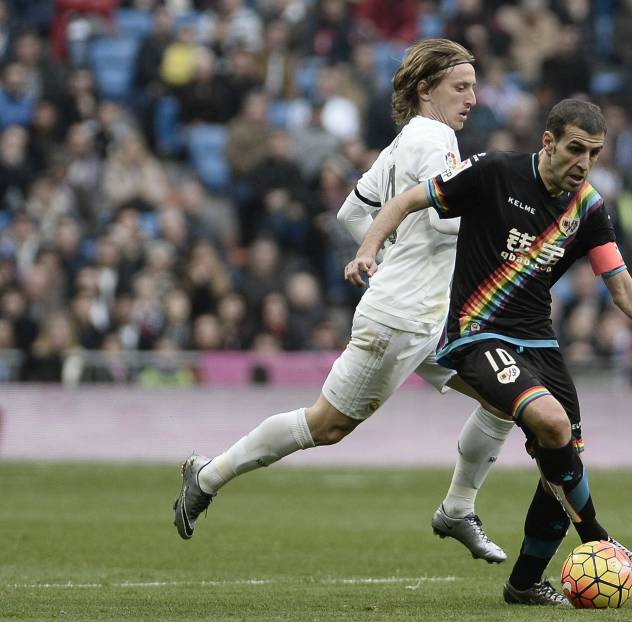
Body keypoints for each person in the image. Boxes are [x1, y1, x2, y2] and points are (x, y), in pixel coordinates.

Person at [345, 99, 632, 606]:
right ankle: (599, 540)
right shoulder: (494, 173)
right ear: (549, 142)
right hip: (478, 332)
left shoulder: (588, 207)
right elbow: (405, 202)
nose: (583, 162)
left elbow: (620, 285)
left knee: (564, 462)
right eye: (576, 149)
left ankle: (526, 583)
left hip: (539, 342)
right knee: (552, 426)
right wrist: (367, 249)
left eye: (594, 153)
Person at [173, 39, 513, 565]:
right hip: (403, 316)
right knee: (325, 426)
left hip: (434, 318)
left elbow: (354, 214)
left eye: (474, 87)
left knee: (507, 397)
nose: (472, 98)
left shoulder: (402, 143)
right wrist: (499, 212)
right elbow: (446, 220)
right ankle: (209, 473)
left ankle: (457, 509)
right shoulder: (437, 137)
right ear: (426, 90)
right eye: (460, 87)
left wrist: (390, 253)